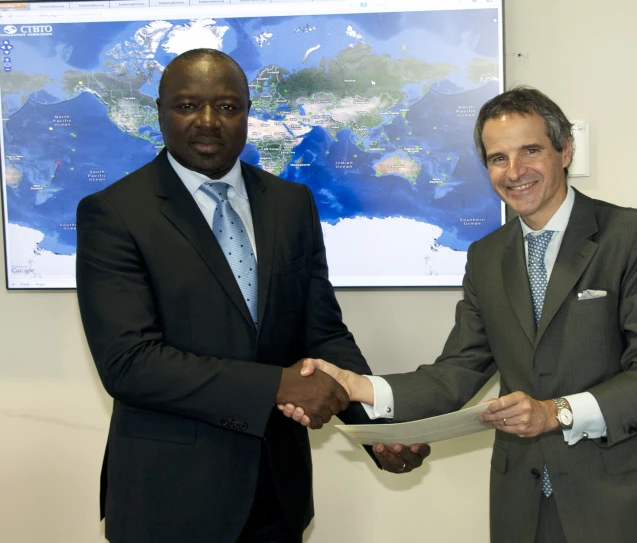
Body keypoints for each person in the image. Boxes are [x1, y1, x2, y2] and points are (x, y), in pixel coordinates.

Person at [282, 87, 637, 542]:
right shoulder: (485, 256)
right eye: (498, 158)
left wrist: (554, 412)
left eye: (530, 151)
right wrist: (359, 387)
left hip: (617, 500)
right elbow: (459, 370)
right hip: (520, 501)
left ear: (566, 150)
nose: (515, 172)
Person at [75, 48, 426, 543]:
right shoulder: (113, 214)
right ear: (159, 111)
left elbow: (322, 333)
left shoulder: (290, 203)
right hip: (168, 501)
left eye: (226, 106)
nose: (207, 121)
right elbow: (129, 363)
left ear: (246, 113)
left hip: (275, 497)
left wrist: (375, 430)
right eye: (186, 105)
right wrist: (277, 386)